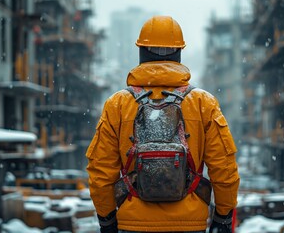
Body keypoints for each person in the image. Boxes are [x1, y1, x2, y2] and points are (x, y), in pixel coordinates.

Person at [86, 15, 240, 233]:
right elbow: (224, 169)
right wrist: (223, 217)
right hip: (189, 223)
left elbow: (100, 172)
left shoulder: (118, 104)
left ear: (141, 51)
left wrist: (107, 220)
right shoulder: (202, 102)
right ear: (178, 52)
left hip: (133, 224)